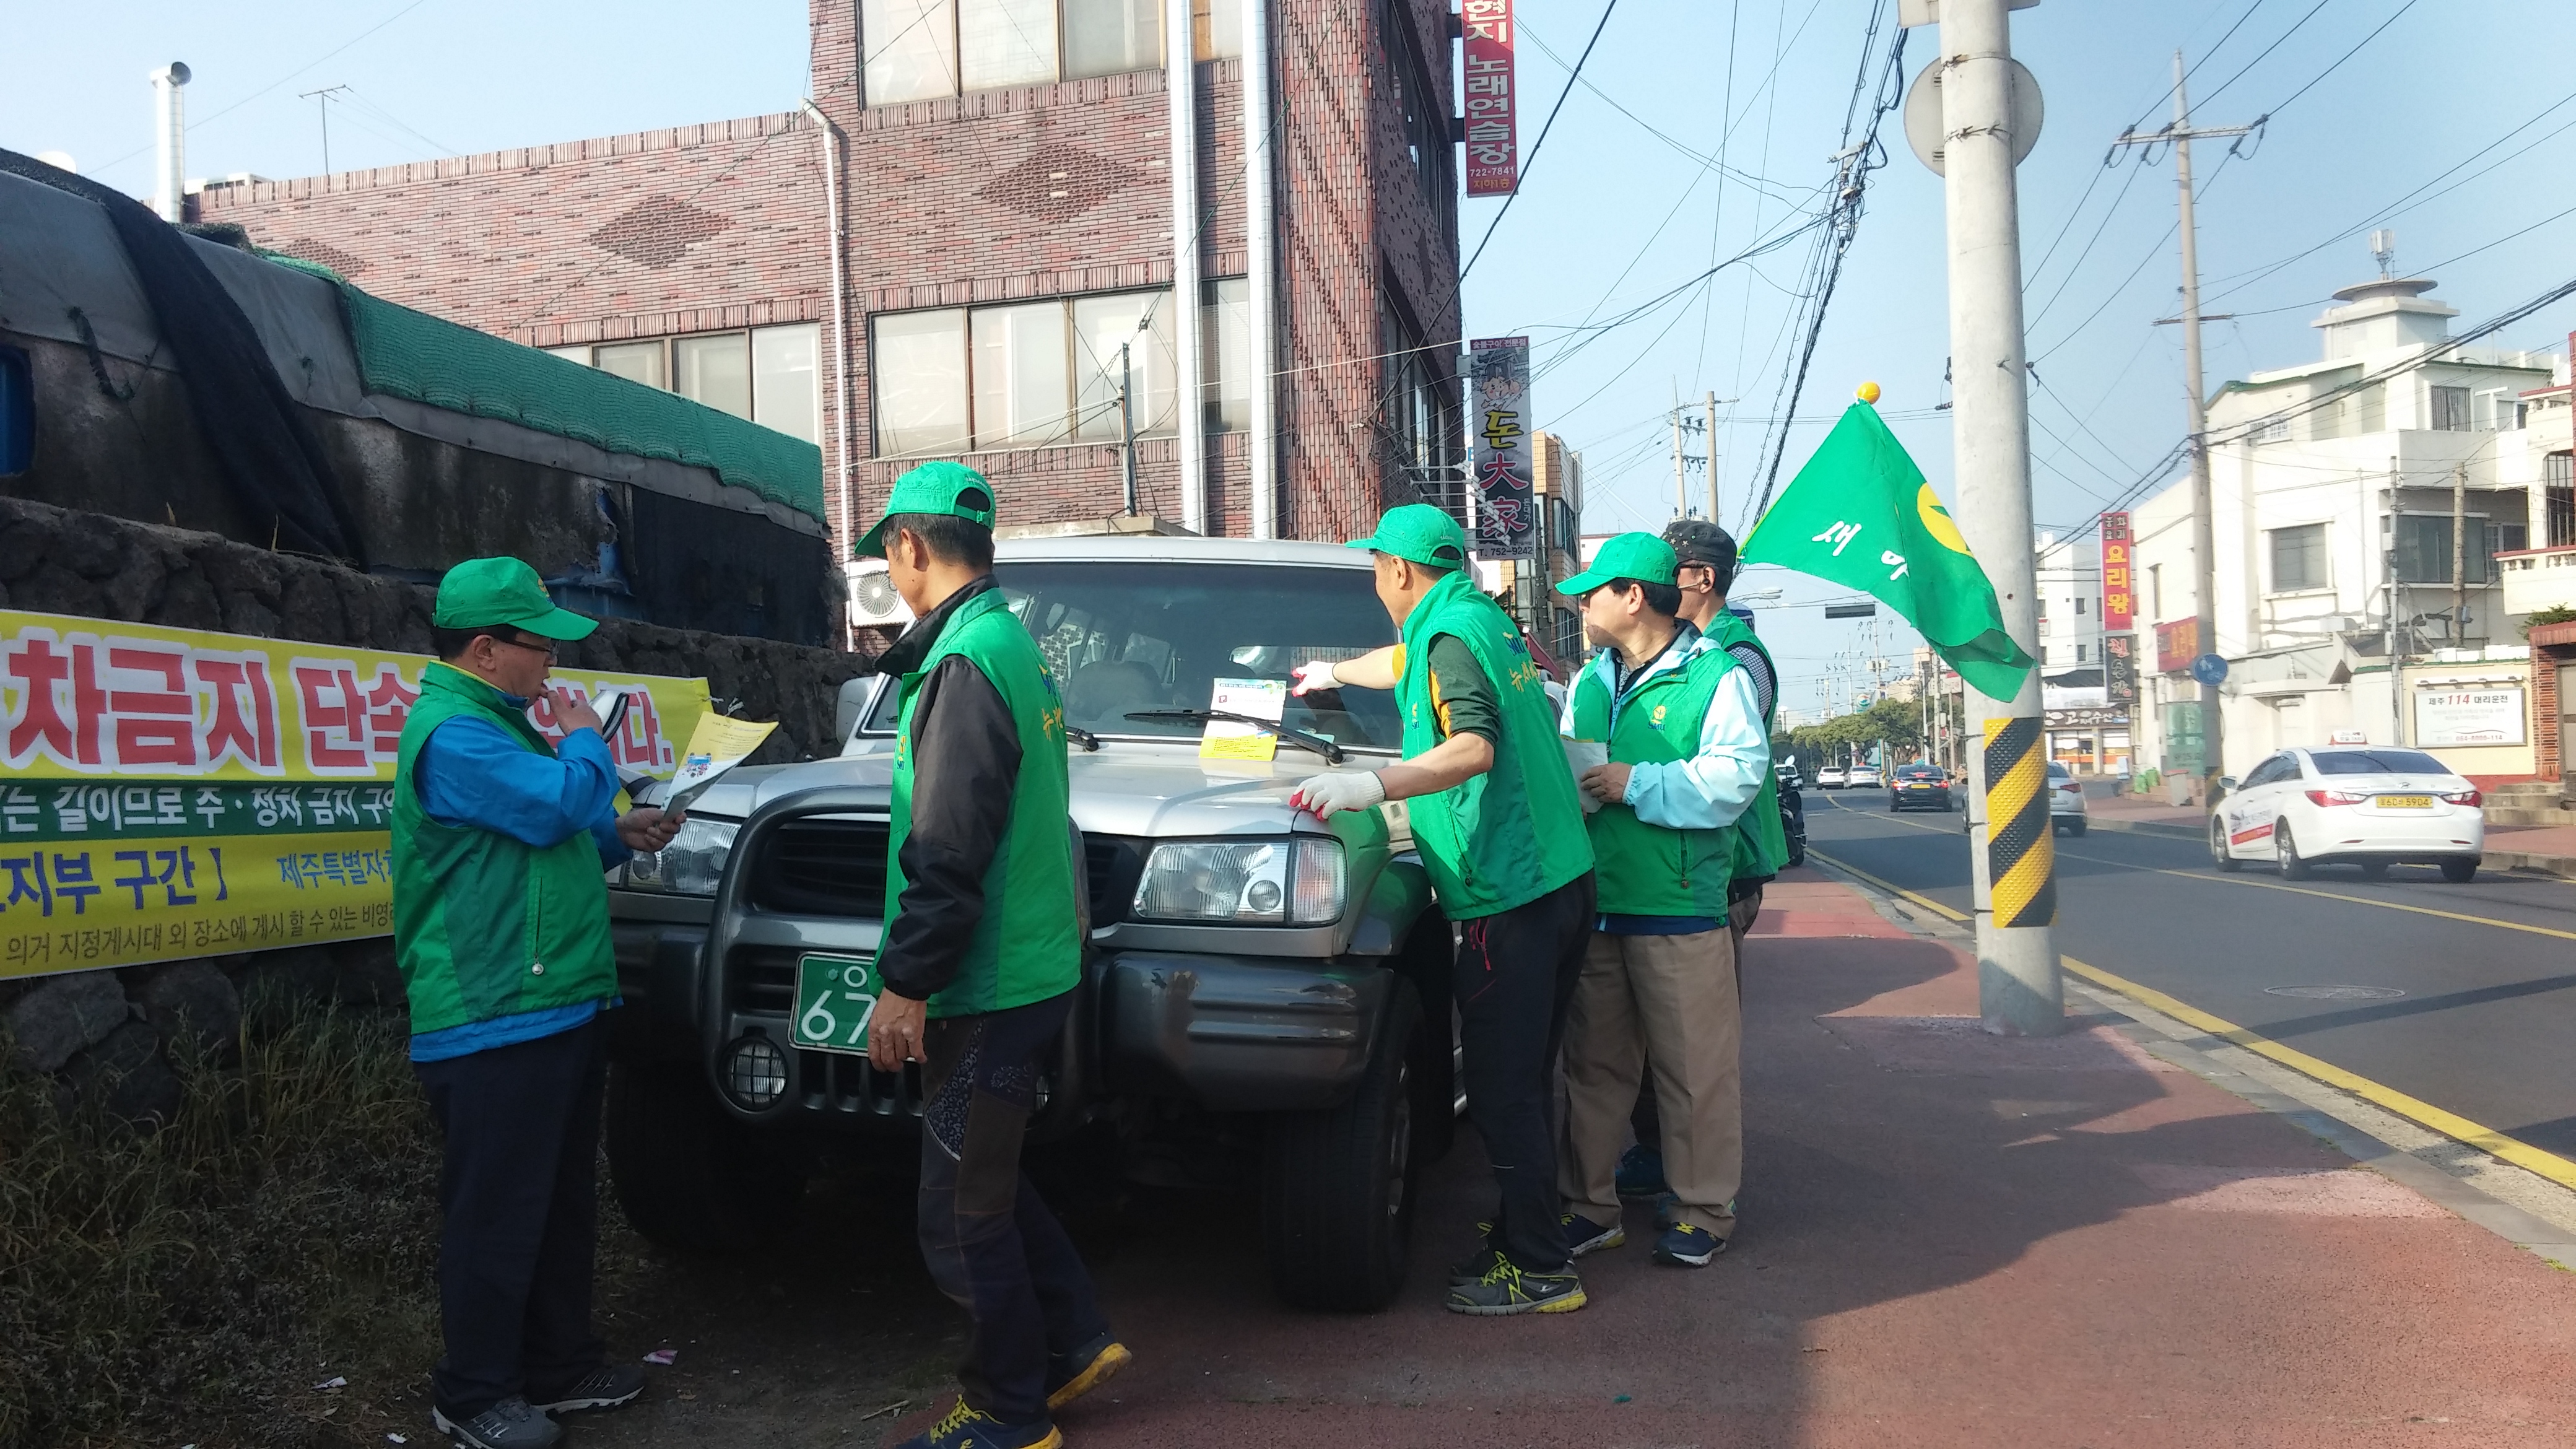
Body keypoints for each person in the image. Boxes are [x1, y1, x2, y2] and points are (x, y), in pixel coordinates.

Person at [855, 461, 1126, 1449]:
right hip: (1031, 968)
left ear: (910, 549)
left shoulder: (965, 662)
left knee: (959, 1214)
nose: (892, 566)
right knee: (990, 1179)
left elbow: (945, 848)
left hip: (987, 983)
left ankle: (1010, 1411)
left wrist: (905, 985)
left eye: (889, 551)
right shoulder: (1008, 642)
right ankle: (1073, 1343)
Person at [394, 556, 679, 1449]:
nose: (551, 665)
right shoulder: (454, 733)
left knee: (556, 1200)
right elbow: (556, 803)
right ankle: (474, 1394)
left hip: (552, 1001)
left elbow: (542, 841)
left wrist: (616, 831)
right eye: (538, 647)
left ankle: (556, 1366)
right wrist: (588, 743)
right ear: (485, 650)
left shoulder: (495, 725)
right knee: (497, 1212)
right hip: (490, 1013)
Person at [1286, 503, 1598, 1316]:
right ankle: (1534, 1232)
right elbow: (1403, 664)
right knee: (1524, 1076)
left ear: (1398, 571)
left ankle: (1540, 1270)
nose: (1374, 580)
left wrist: (1371, 782)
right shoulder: (1474, 621)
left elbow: (1474, 746)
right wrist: (1329, 674)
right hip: (1561, 882)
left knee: (1500, 1087)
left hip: (1512, 894)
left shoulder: (1450, 637)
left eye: (1375, 568)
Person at [1554, 532, 1770, 1267]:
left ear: (1633, 596)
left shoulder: (1715, 675)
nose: (1582, 604)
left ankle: (1702, 1211)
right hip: (1600, 903)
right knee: (1593, 1070)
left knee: (1693, 1072)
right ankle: (1588, 1207)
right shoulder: (1589, 682)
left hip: (1678, 906)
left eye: (1593, 592)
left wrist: (1632, 783)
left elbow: (1736, 778)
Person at [1613, 518, 1791, 1202]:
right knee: (1643, 1039)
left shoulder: (1731, 662)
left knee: (1693, 1042)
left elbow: (1722, 771)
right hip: (1660, 868)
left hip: (1718, 870)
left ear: (1700, 580)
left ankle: (1691, 1182)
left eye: (1669, 572)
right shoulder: (1648, 658)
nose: (1656, 585)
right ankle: (1660, 1156)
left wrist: (1629, 778)